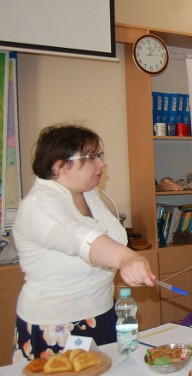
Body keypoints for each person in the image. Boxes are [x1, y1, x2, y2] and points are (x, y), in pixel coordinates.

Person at [12, 124, 157, 361]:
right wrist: (126, 257)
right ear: (59, 164)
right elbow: (81, 237)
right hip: (57, 325)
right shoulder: (38, 205)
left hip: (103, 314)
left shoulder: (89, 194)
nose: (102, 163)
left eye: (100, 156)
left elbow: (110, 237)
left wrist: (126, 258)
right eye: (91, 157)